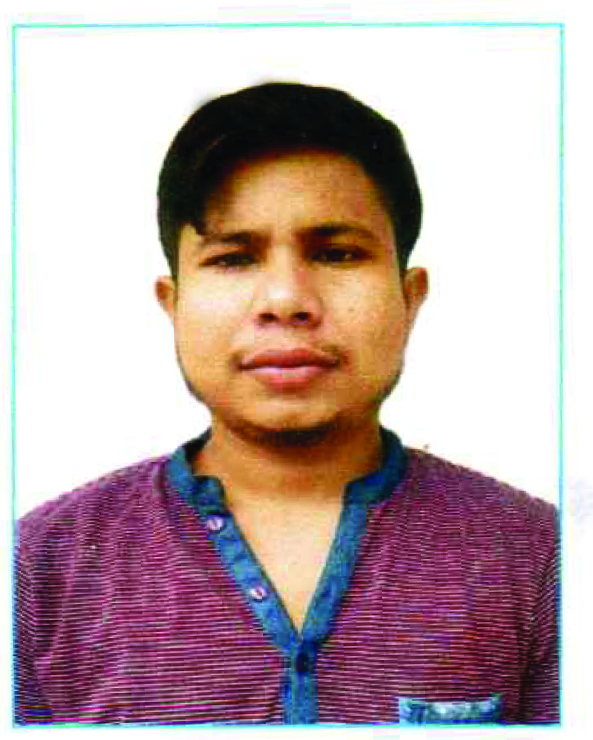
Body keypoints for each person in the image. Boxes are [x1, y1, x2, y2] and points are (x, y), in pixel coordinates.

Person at [15, 82, 558, 726]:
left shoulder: (541, 559)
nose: (285, 300)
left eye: (337, 254)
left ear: (409, 298)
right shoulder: (38, 569)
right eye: (233, 258)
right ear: (174, 304)